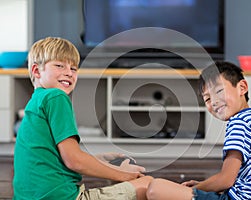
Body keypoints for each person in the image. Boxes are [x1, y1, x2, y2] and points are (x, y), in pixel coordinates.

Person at [13, 37, 153, 200]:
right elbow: (74, 161)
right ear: (37, 71)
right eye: (59, 65)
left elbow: (56, 158)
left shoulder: (36, 101)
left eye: (73, 68)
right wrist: (124, 175)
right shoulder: (56, 97)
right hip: (62, 197)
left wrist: (100, 160)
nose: (68, 73)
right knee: (148, 183)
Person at [146, 61, 251, 200]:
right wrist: (203, 185)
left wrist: (192, 189)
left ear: (242, 87)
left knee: (155, 188)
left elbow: (226, 180)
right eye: (207, 99)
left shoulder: (239, 123)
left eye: (219, 91)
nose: (213, 102)